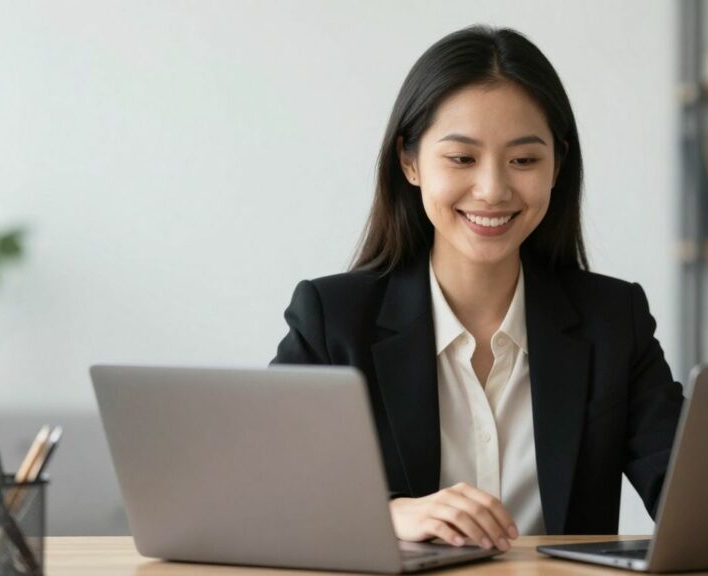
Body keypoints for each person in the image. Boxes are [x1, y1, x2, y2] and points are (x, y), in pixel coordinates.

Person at [272, 25, 683, 551]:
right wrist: (388, 514)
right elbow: (265, 490)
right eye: (462, 158)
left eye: (524, 160)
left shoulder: (613, 319)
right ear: (409, 161)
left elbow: (691, 489)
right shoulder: (332, 319)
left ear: (557, 165)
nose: (493, 189)